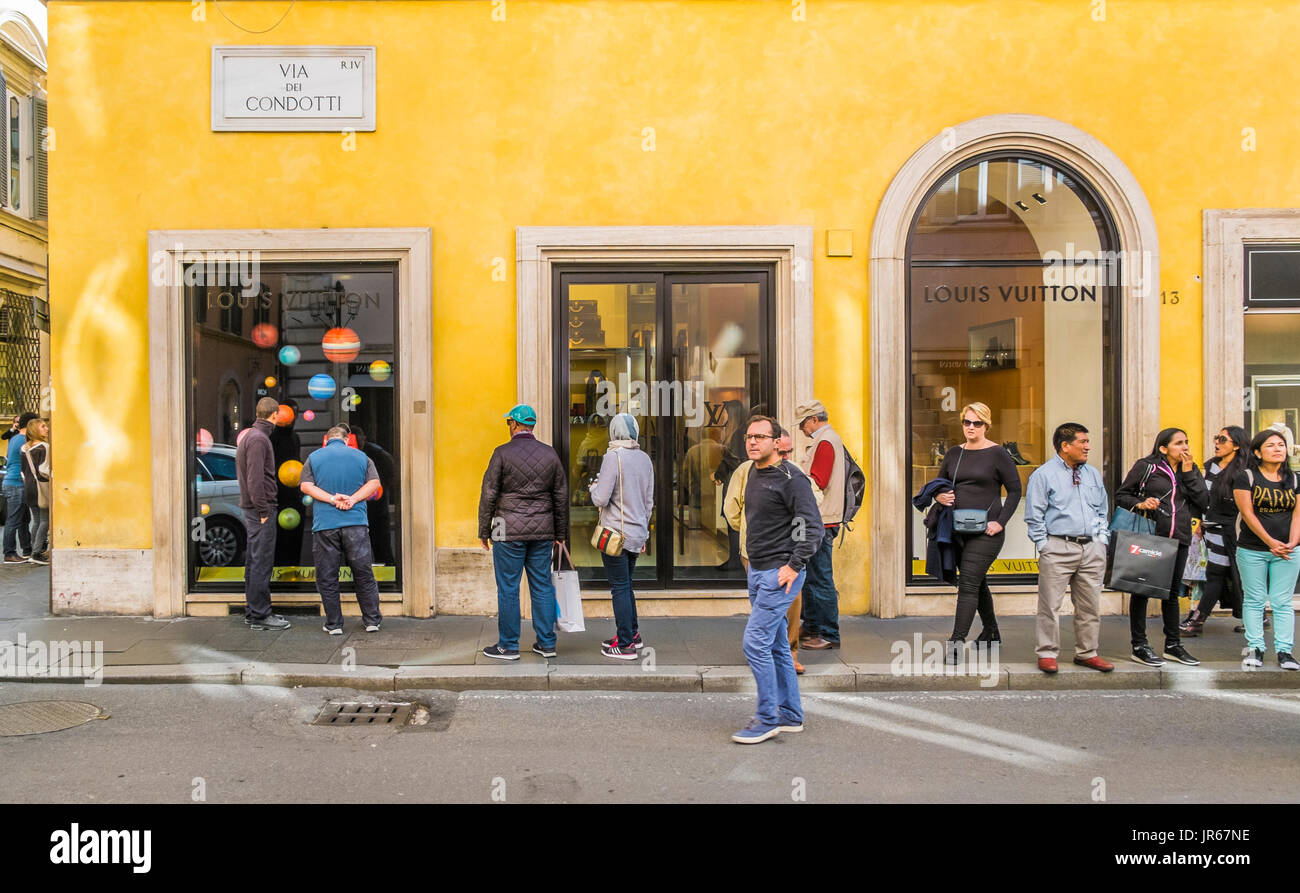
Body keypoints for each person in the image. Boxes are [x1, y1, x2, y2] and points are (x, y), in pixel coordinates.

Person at [732, 415, 823, 744]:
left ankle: (768, 717)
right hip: (757, 570)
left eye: (759, 437)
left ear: (776, 442)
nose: (752, 442)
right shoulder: (754, 473)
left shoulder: (791, 478)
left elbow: (811, 526)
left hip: (779, 574)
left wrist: (794, 565)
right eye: (748, 436)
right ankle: (791, 714)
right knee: (776, 645)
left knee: (754, 643)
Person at [478, 404, 567, 660]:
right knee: (541, 586)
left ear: (515, 425)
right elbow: (560, 496)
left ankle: (508, 646)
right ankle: (547, 643)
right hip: (543, 531)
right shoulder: (549, 454)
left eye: (509, 423)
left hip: (506, 530)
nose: (509, 427)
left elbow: (489, 495)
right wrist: (560, 533)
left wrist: (484, 530)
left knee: (508, 587)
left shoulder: (501, 453)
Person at [1024, 422, 1113, 673]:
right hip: (1058, 546)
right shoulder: (1044, 475)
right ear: (1065, 446)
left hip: (1091, 548)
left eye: (1087, 441)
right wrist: (1044, 545)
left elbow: (1101, 509)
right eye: (1082, 442)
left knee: (1090, 606)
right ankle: (1047, 653)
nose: (1088, 446)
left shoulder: (1093, 474)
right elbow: (1034, 515)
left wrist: (1101, 540)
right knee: (1050, 606)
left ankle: (1087, 653)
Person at [934, 403, 1022, 655]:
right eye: (967, 422)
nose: (971, 427)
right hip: (957, 529)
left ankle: (956, 643)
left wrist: (1000, 522)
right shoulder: (954, 453)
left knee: (968, 584)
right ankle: (991, 631)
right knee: (977, 582)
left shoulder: (998, 454)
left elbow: (1015, 491)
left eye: (977, 423)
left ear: (986, 425)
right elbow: (940, 484)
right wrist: (940, 497)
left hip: (987, 532)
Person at [1115, 428, 1207, 667]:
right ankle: (1139, 645)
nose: (1185, 447)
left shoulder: (1191, 469)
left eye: (1186, 442)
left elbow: (1204, 502)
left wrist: (1189, 474)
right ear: (1163, 448)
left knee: (1172, 594)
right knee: (1142, 590)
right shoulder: (1147, 466)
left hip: (1180, 538)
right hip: (1151, 537)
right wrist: (1142, 503)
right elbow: (1122, 495)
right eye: (1178, 443)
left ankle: (1173, 645)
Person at [725, 426, 813, 674]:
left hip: (787, 556)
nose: (785, 455)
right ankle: (770, 651)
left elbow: (810, 513)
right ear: (774, 445)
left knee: (791, 602)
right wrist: (747, 531)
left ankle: (787, 654)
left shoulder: (793, 475)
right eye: (782, 451)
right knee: (767, 604)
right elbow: (732, 507)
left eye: (788, 451)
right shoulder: (747, 471)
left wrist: (796, 555)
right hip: (753, 552)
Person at [299, 424, 384, 634]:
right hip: (355, 523)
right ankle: (372, 620)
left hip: (325, 525)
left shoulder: (314, 457)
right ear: (347, 440)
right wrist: (353, 499)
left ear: (326, 440)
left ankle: (334, 624)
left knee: (328, 576)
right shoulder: (362, 457)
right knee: (363, 573)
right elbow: (374, 482)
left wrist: (331, 498)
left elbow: (305, 486)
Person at [1234, 428, 1300, 670]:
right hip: (1253, 549)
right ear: (1258, 452)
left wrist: (1292, 542)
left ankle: (1285, 652)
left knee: (1283, 602)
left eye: (1281, 444)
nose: (1277, 449)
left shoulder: (1295, 479)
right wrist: (1270, 542)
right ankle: (1255, 648)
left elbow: (1297, 515)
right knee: (1254, 599)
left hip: (1288, 550)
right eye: (1271, 445)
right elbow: (1247, 514)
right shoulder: (1247, 477)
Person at [589, 413, 654, 659]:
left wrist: (593, 487)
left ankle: (625, 644)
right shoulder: (645, 459)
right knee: (626, 585)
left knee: (619, 587)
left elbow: (601, 498)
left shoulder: (612, 457)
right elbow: (649, 502)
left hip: (615, 534)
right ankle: (633, 635)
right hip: (637, 533)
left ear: (613, 432)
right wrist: (644, 532)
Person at [1182, 426, 1250, 636]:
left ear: (1236, 445)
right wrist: (1198, 523)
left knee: (1215, 574)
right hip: (1208, 528)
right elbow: (1202, 497)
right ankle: (1257, 616)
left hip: (1228, 530)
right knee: (1231, 574)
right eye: (1216, 438)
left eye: (1223, 439)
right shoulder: (1211, 465)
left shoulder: (1243, 471)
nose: (1217, 443)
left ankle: (1196, 621)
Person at [235, 396, 291, 630]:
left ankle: (253, 612)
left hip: (255, 509)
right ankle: (260, 615)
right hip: (260, 510)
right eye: (279, 415)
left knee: (254, 560)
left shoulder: (251, 436)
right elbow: (255, 478)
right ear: (275, 415)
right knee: (261, 561)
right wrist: (263, 510)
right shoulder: (259, 439)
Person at [794, 399, 845, 650]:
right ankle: (812, 625)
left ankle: (827, 633)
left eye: (803, 423)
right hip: (821, 520)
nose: (802, 429)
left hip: (822, 520)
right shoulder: (826, 440)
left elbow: (817, 481)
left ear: (814, 419)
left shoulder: (825, 442)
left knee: (820, 578)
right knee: (811, 576)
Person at [351, 425, 396, 565]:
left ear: (364, 438)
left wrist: (384, 488)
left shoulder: (377, 453)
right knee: (356, 546)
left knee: (380, 542)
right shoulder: (354, 455)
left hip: (376, 506)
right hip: (359, 506)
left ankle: (386, 570)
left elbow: (392, 472)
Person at [713, 399, 749, 571]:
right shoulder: (735, 432)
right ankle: (734, 558)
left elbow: (732, 459)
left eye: (726, 411)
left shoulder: (738, 434)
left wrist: (718, 474)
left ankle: (736, 560)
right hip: (734, 482)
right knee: (731, 519)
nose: (724, 415)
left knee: (733, 520)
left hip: (737, 484)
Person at [270, 398, 304, 569]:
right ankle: (280, 570)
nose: (294, 417)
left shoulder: (294, 437)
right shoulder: (271, 437)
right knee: (280, 538)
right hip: (278, 495)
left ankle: (292, 568)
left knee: (293, 537)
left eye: (295, 413)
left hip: (293, 494)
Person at [2, 411, 36, 564]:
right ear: (30, 425)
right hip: (16, 483)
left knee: (23, 519)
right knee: (14, 520)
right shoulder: (23, 441)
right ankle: (9, 553)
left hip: (14, 483)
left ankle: (27, 549)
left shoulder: (15, 438)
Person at [19, 417, 50, 565]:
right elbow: (44, 470)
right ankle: (37, 553)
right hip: (41, 487)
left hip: (28, 486)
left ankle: (33, 551)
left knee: (36, 520)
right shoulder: (44, 446)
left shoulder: (24, 448)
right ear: (35, 430)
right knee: (45, 520)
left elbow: (23, 472)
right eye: (43, 426)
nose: (47, 429)